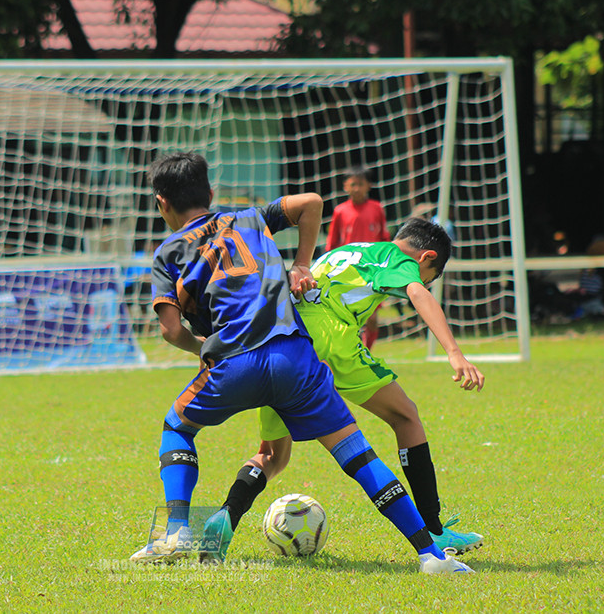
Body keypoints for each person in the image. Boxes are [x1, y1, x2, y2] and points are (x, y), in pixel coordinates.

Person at [129, 152, 473, 574]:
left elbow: (168, 330)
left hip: (238, 359)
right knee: (360, 449)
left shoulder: (168, 251)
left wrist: (201, 346)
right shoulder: (251, 219)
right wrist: (300, 263)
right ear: (212, 193)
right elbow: (311, 201)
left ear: (161, 202)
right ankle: (430, 553)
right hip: (297, 355)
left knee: (183, 429)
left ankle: (181, 531)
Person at [208, 217, 487, 559]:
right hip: (331, 339)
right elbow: (417, 292)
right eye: (430, 275)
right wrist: (455, 353)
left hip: (286, 342)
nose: (420, 280)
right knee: (405, 417)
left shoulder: (345, 252)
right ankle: (433, 530)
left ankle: (225, 515)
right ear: (426, 257)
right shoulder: (395, 258)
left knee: (271, 455)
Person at [326, 167, 390, 349]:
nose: (356, 188)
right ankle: (350, 349)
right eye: (353, 184)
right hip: (348, 269)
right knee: (347, 314)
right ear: (345, 186)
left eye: (360, 184)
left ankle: (366, 351)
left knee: (372, 317)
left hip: (372, 269)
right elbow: (332, 241)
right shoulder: (340, 211)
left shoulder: (377, 209)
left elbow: (384, 238)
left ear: (368, 186)